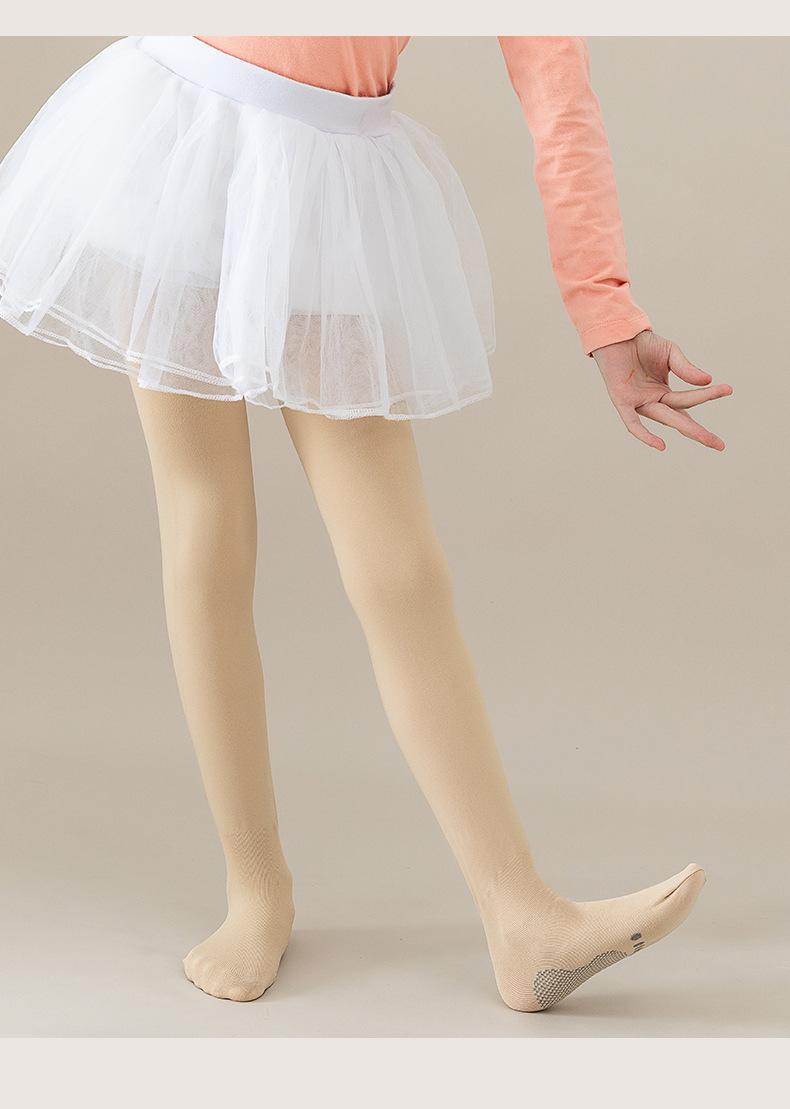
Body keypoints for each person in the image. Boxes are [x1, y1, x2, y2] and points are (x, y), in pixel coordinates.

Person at [0, 36, 730, 1011]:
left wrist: (605, 311)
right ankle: (255, 886)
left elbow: (558, 91)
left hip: (329, 182)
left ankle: (519, 913)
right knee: (206, 527)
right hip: (189, 130)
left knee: (401, 568)